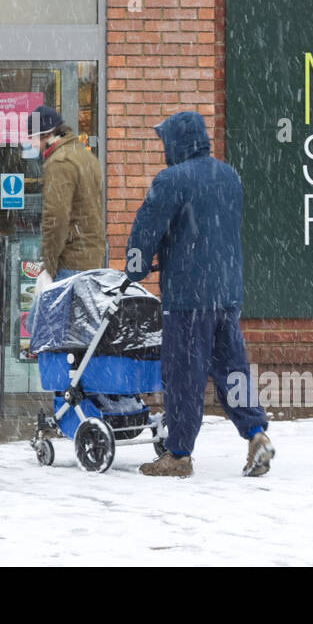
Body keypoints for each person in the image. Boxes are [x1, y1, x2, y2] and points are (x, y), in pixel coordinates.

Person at [124, 111, 274, 478]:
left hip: (188, 296)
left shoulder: (171, 180)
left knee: (184, 377)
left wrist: (134, 268)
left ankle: (178, 454)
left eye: (164, 142)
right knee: (231, 369)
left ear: (176, 142)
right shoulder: (228, 175)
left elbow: (146, 229)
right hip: (226, 293)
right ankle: (256, 432)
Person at [28, 104, 105, 291]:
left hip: (70, 264)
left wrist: (49, 267)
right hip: (90, 261)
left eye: (33, 138)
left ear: (46, 135)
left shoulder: (59, 163)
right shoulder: (85, 157)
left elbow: (56, 219)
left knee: (42, 320)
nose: (31, 144)